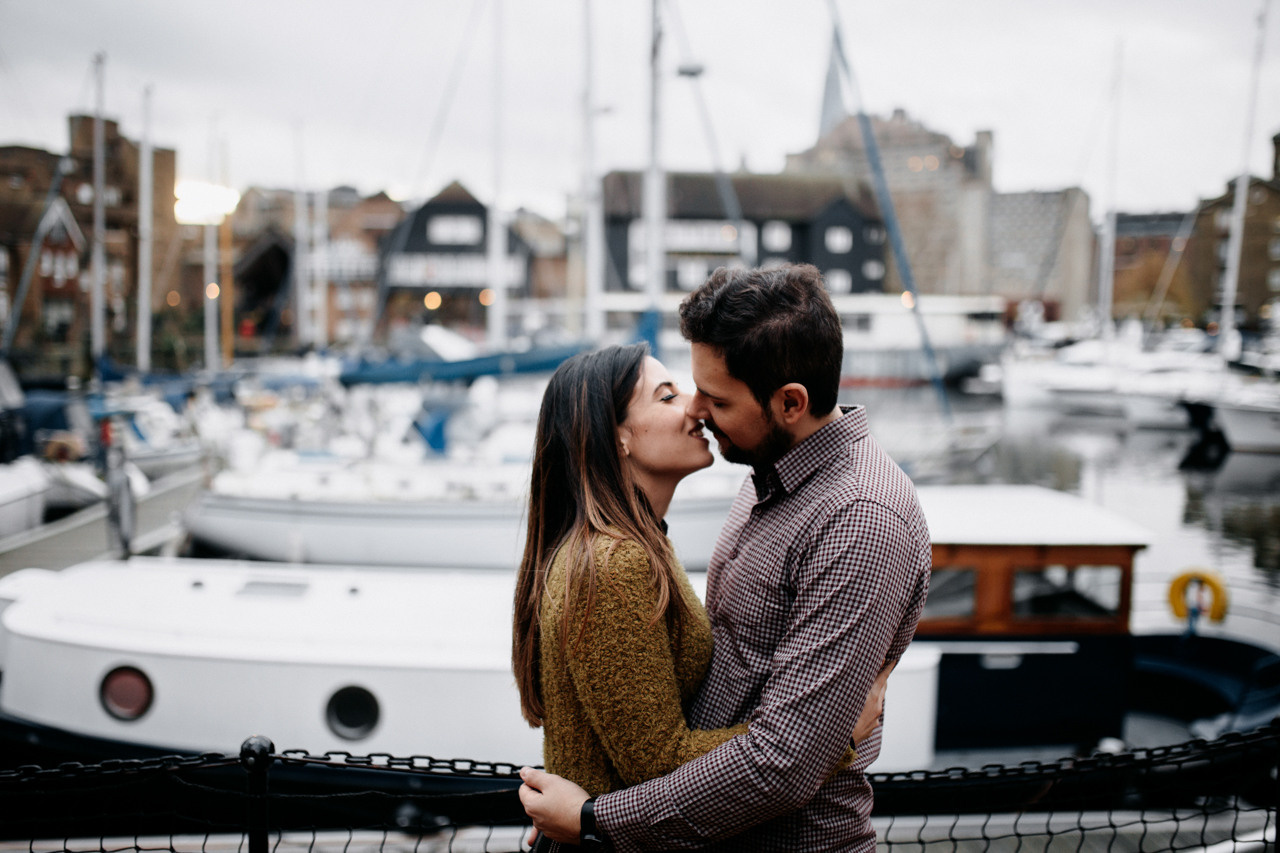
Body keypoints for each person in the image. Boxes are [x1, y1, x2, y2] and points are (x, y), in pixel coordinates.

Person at [519, 263, 932, 851]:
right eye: (684, 390)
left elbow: (784, 761)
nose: (699, 410)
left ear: (790, 403)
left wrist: (593, 821)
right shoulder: (762, 477)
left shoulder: (859, 519)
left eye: (716, 398)